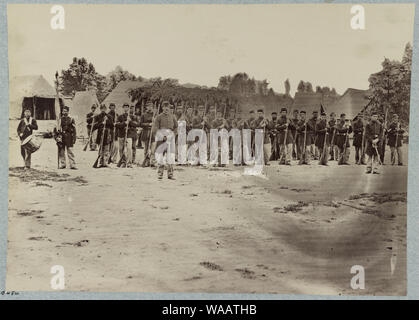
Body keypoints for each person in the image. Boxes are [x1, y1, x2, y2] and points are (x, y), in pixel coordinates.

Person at [154, 101, 178, 180]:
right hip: (162, 137)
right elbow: (156, 128)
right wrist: (162, 136)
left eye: (168, 107)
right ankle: (160, 174)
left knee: (170, 156)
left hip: (170, 137)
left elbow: (176, 127)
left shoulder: (173, 116)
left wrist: (173, 134)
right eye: (165, 106)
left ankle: (170, 174)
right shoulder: (159, 117)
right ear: (162, 107)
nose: (166, 108)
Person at [116, 103, 139, 168]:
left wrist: (130, 121)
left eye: (127, 107)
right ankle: (123, 161)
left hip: (129, 135)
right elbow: (117, 125)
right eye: (124, 107)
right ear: (123, 108)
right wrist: (124, 123)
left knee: (129, 149)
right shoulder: (120, 116)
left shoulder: (132, 116)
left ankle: (129, 162)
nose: (126, 108)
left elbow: (136, 125)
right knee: (121, 149)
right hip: (121, 134)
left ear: (128, 108)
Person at [140, 102, 155, 167]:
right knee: (146, 148)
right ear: (146, 107)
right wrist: (148, 124)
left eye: (151, 106)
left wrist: (154, 122)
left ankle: (152, 162)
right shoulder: (143, 115)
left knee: (153, 149)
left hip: (153, 134)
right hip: (146, 132)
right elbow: (140, 124)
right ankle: (146, 161)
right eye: (148, 106)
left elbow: (157, 124)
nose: (150, 108)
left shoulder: (155, 115)